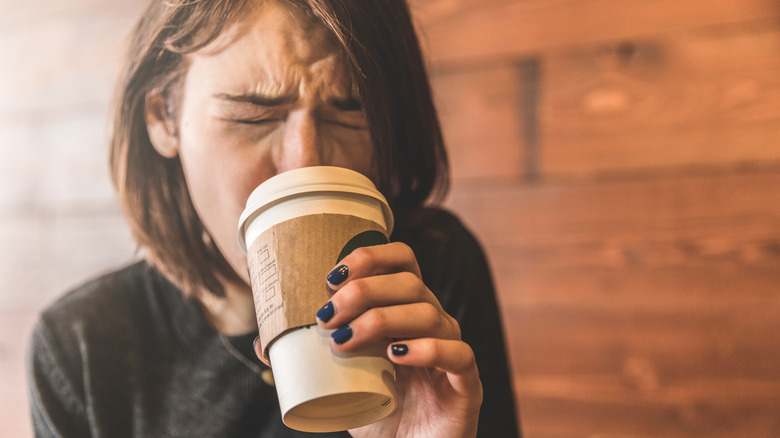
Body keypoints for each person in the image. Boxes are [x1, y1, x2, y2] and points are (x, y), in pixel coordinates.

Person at [27, 0, 521, 436]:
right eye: (253, 115)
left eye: (349, 113)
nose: (305, 162)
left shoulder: (427, 278)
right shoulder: (83, 344)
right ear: (163, 118)